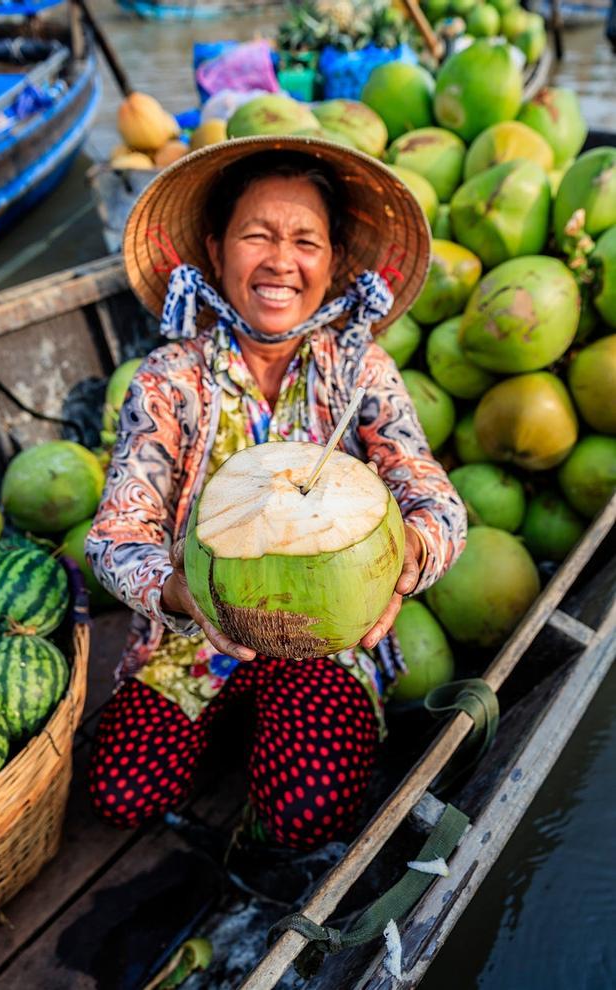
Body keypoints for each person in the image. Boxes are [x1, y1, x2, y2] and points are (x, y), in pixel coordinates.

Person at [86, 136, 467, 851]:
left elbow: (436, 502)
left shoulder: (360, 369)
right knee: (119, 792)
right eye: (256, 235)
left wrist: (407, 558)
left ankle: (266, 725)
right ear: (215, 247)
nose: (281, 261)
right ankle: (234, 711)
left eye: (305, 241)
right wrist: (176, 593)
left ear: (332, 260)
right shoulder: (170, 377)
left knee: (305, 818)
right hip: (194, 632)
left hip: (325, 638)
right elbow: (113, 538)